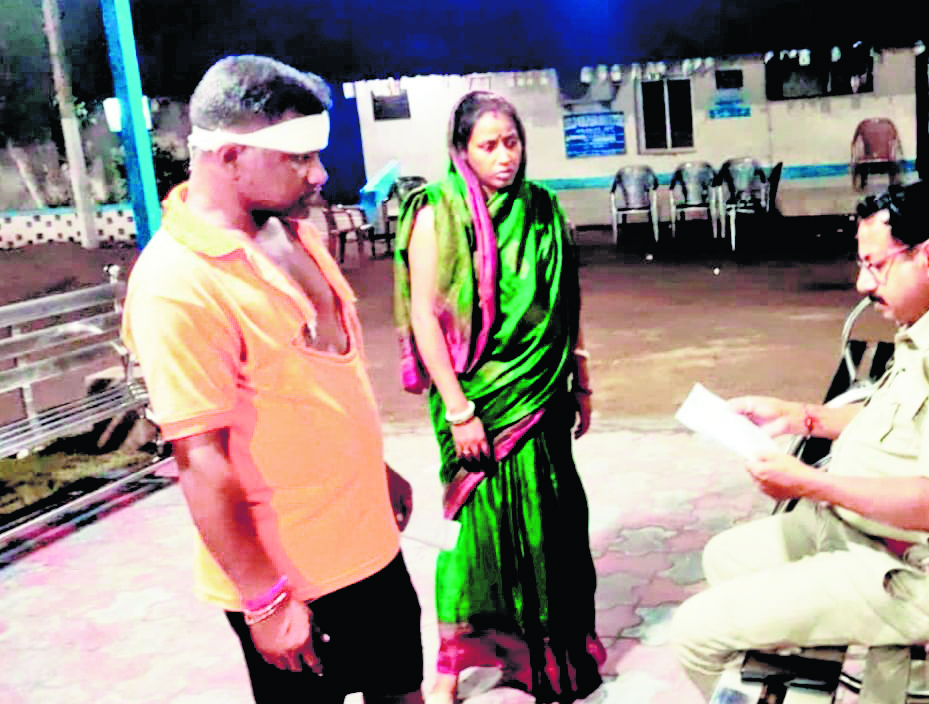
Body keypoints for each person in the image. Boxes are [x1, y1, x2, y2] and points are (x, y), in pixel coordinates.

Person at [668, 180, 929, 698]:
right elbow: (900, 424)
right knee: (726, 557)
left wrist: (807, 483)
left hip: (918, 576)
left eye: (876, 266)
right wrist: (799, 417)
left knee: (695, 631)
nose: (862, 283)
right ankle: (784, 648)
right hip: (868, 533)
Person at [121, 55, 424, 704]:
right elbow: (200, 460)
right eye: (299, 158)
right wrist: (264, 599)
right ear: (231, 157)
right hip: (294, 578)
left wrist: (373, 468)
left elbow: (318, 382)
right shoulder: (177, 283)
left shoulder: (293, 232)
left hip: (370, 546)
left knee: (402, 692)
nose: (320, 174)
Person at [393, 91, 603, 703]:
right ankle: (454, 663)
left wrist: (582, 378)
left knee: (553, 526)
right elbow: (426, 317)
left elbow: (566, 303)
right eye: (488, 146)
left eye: (511, 143)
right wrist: (460, 410)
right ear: (462, 150)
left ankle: (547, 654)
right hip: (475, 401)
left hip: (543, 392)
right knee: (476, 536)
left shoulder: (543, 208)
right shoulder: (437, 211)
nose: (504, 156)